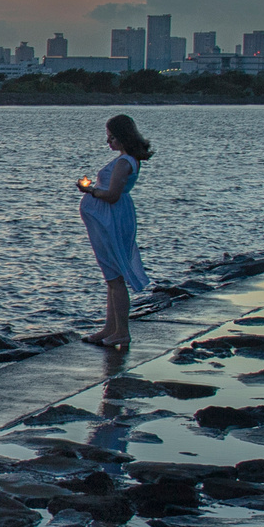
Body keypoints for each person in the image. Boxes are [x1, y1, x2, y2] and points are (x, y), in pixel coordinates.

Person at [76, 113, 152, 351]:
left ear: (122, 138)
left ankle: (122, 332)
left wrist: (90, 191)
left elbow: (112, 195)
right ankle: (111, 328)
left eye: (111, 137)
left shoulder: (124, 162)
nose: (108, 142)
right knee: (110, 275)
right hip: (111, 218)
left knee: (115, 277)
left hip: (113, 220)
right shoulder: (125, 159)